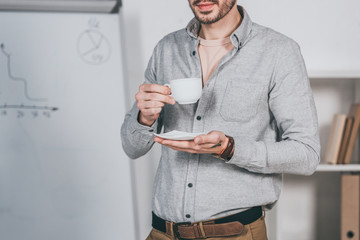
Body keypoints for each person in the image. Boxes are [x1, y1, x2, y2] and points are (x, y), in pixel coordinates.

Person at [121, 0, 320, 239]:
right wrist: (145, 117)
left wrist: (230, 148)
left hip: (234, 233)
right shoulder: (167, 48)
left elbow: (306, 154)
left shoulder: (278, 51)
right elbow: (132, 148)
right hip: (162, 232)